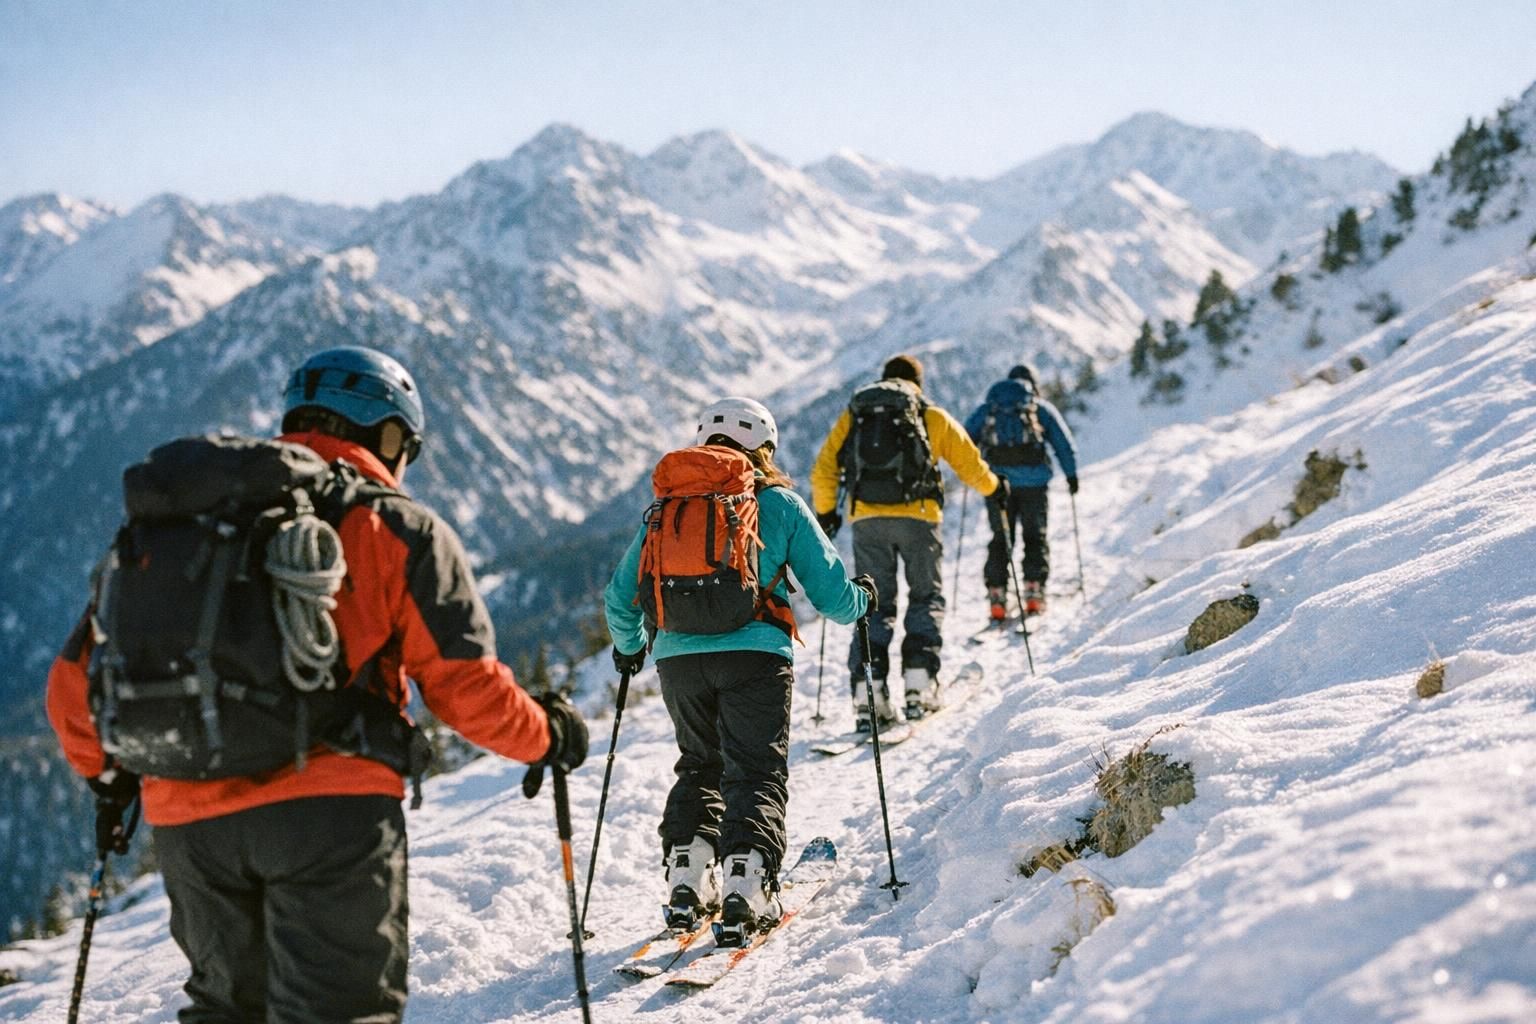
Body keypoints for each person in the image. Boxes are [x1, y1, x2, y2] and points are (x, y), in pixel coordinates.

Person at [47, 345, 588, 1024]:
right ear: (388, 434)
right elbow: (463, 688)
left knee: (224, 1012)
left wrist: (110, 776)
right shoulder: (395, 526)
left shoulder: (179, 528)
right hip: (330, 814)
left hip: (189, 823)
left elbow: (71, 685)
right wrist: (549, 736)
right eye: (405, 447)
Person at [605, 396, 872, 942]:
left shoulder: (664, 509)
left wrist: (630, 647)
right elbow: (833, 598)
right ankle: (746, 886)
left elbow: (619, 596)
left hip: (679, 660)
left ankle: (688, 876)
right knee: (754, 770)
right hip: (756, 656)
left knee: (699, 764)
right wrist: (862, 601)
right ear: (764, 448)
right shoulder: (778, 504)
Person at [810, 354, 1001, 728]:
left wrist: (827, 513)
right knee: (925, 596)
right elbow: (971, 465)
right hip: (920, 519)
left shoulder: (858, 414)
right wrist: (995, 488)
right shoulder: (930, 415)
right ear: (918, 383)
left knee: (873, 603)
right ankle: (919, 684)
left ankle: (869, 695)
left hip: (867, 520)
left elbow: (824, 468)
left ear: (884, 379)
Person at [964, 363, 1079, 619]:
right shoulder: (1039, 408)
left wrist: (969, 471)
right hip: (1034, 484)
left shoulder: (989, 409)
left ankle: (997, 595)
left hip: (997, 484)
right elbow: (1063, 443)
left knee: (1001, 538)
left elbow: (963, 439)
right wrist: (1071, 475)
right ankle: (1034, 592)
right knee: (1034, 537)